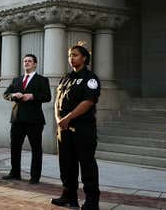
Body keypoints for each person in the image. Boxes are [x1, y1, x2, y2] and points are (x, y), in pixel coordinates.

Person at [51, 44, 101, 210]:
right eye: (70, 55)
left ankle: (92, 201)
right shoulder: (65, 77)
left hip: (83, 129)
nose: (71, 58)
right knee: (66, 164)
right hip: (64, 130)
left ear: (84, 58)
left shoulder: (90, 78)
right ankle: (69, 196)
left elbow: (88, 102)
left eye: (75, 55)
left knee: (87, 165)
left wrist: (68, 118)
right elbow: (57, 101)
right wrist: (59, 119)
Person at [2, 54, 51, 184]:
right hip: (17, 118)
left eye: (29, 61)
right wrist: (13, 95)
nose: (27, 63)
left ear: (35, 64)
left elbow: (47, 96)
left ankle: (35, 177)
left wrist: (32, 96)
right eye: (25, 61)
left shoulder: (42, 80)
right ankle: (15, 173)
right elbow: (5, 94)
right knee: (15, 147)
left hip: (34, 120)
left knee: (36, 149)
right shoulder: (16, 80)